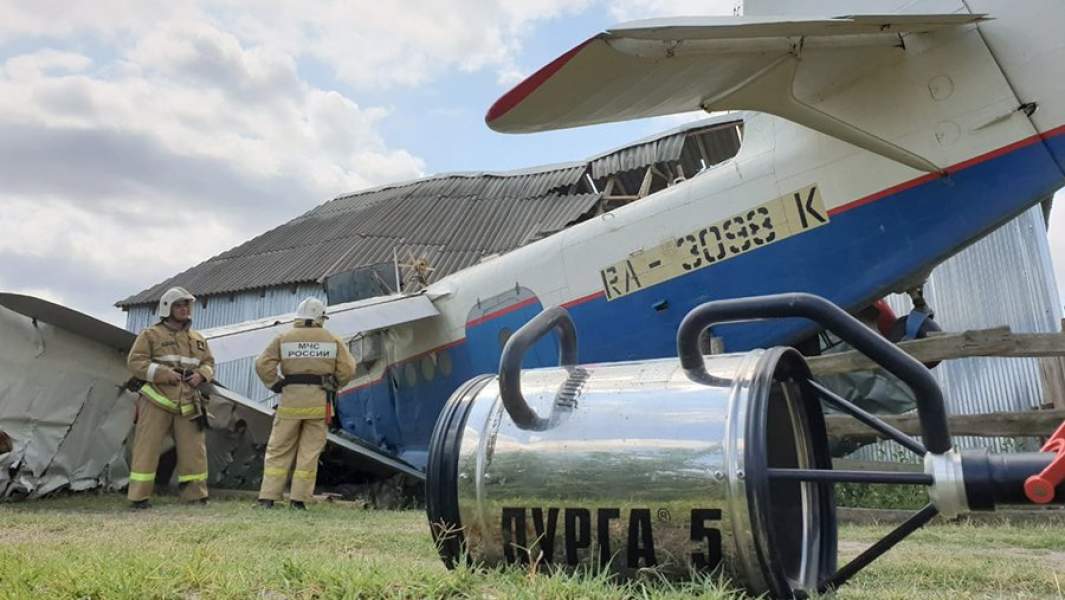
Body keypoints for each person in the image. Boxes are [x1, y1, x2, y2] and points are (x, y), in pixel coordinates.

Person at [255, 297, 356, 509]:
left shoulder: (284, 338)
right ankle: (299, 500)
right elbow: (348, 368)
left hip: (290, 402)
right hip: (318, 403)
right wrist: (335, 384)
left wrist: (275, 384)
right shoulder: (332, 339)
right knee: (309, 452)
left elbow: (262, 364)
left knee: (279, 449)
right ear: (321, 317)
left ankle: (268, 497)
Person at [126, 287, 214, 509]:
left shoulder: (198, 339)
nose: (184, 309)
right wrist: (164, 374)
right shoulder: (150, 335)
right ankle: (139, 497)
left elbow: (209, 363)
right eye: (179, 305)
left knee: (194, 450)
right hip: (156, 399)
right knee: (147, 448)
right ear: (167, 308)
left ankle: (196, 495)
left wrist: (202, 375)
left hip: (189, 401)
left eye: (186, 305)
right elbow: (136, 362)